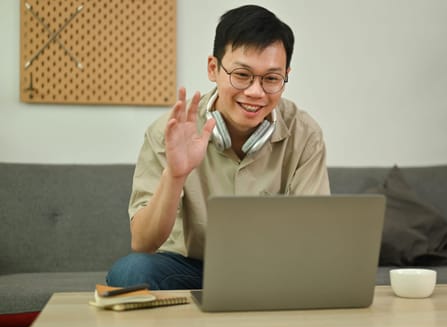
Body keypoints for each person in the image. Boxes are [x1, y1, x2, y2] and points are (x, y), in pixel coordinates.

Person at [106, 4, 330, 290]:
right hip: (192, 269)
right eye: (242, 74)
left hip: (271, 270)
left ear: (285, 76)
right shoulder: (168, 132)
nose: (255, 92)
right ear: (214, 68)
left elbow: (314, 240)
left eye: (271, 78)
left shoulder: (304, 133)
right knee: (131, 273)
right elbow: (143, 243)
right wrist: (174, 177)